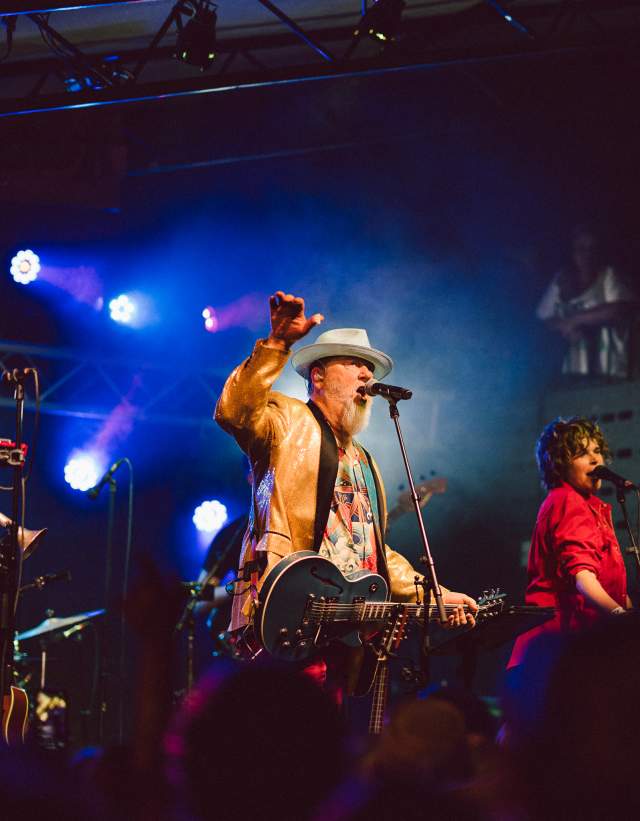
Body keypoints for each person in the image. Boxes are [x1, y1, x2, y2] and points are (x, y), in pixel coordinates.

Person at [214, 291, 477, 693]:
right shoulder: (287, 421)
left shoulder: (364, 461)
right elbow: (233, 411)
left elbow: (374, 551)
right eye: (354, 363)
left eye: (369, 367)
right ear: (318, 376)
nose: (367, 374)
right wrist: (277, 344)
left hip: (343, 631)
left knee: (332, 727)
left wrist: (436, 595)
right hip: (289, 615)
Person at [508, 416, 632, 670]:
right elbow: (583, 578)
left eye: (597, 450)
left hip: (565, 649)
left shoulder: (589, 506)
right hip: (554, 651)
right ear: (560, 465)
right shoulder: (567, 501)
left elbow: (611, 586)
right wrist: (623, 619)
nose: (595, 459)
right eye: (582, 453)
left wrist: (629, 614)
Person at [537, 225, 637, 378]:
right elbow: (543, 318)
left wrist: (574, 320)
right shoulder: (561, 278)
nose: (587, 254)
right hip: (572, 372)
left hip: (610, 372)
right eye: (581, 248)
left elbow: (619, 308)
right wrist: (563, 326)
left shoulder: (609, 275)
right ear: (571, 251)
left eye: (592, 248)